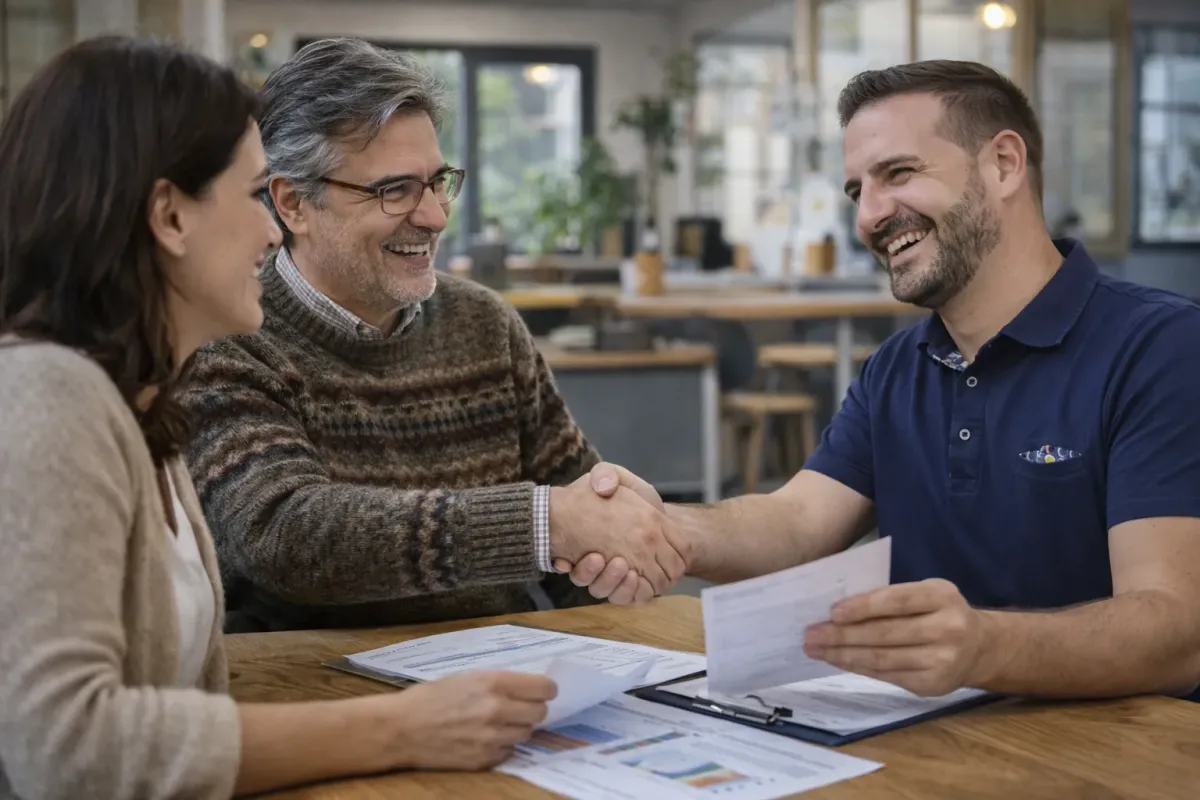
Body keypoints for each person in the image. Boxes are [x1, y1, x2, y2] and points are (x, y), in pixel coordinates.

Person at [0, 36, 560, 799]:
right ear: (169, 216)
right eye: (252, 194)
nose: (269, 232)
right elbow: (65, 747)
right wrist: (404, 728)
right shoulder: (49, 396)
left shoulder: (138, 399)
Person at [569, 60, 1200, 701]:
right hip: (931, 745)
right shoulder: (896, 368)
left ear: (1004, 165)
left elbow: (1177, 630)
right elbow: (797, 520)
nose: (870, 217)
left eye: (898, 173)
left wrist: (983, 646)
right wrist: (667, 529)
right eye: (856, 192)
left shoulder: (1161, 348)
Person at [178, 37, 682, 633]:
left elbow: (582, 517)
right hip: (315, 700)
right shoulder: (230, 336)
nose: (436, 216)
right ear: (293, 204)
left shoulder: (485, 324)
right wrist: (543, 524)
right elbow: (285, 533)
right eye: (394, 190)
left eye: (438, 181)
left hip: (501, 678)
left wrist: (616, 573)